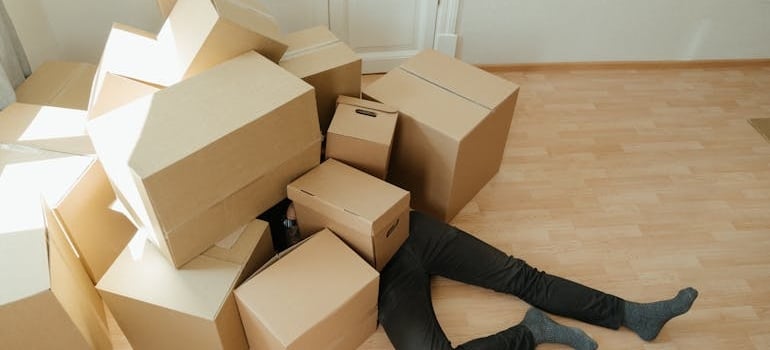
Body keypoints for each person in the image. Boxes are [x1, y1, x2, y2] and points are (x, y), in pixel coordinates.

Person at [378, 210, 698, 350]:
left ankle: (634, 315)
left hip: (406, 229)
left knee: (521, 276)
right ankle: (531, 331)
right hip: (375, 275)